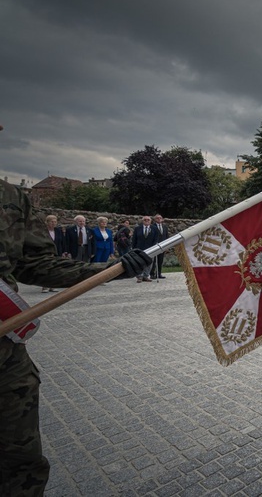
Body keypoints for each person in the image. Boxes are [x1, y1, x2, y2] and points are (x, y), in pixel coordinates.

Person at [0, 179, 151, 497]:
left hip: (5, 356)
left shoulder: (10, 196)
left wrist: (108, 270)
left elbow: (36, 264)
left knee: (21, 463)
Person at [41, 215, 65, 293]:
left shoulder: (58, 230)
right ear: (47, 222)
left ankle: (53, 285)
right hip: (46, 253)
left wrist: (63, 252)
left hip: (57, 253)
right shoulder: (43, 231)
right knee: (46, 269)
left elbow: (62, 242)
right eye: (52, 222)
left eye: (55, 222)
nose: (53, 223)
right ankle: (45, 286)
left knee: (55, 269)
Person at [131, 216, 159, 282]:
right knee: (139, 262)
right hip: (139, 248)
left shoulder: (154, 228)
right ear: (142, 221)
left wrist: (154, 247)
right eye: (145, 220)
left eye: (148, 220)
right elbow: (134, 239)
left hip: (151, 248)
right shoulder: (138, 228)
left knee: (149, 262)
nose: (146, 221)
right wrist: (134, 248)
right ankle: (139, 276)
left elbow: (156, 239)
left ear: (151, 221)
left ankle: (146, 276)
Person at [150, 214, 169, 279]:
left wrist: (167, 246)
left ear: (162, 219)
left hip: (162, 246)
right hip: (155, 246)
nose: (159, 219)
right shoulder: (152, 226)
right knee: (154, 260)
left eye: (160, 218)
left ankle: (159, 273)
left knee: (160, 260)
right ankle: (152, 274)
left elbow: (166, 237)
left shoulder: (164, 227)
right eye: (157, 218)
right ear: (155, 219)